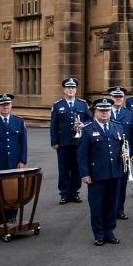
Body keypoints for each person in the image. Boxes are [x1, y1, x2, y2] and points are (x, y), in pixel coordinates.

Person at [77, 98, 125, 246]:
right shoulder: (87, 129)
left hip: (115, 173)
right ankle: (99, 234)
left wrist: (125, 157)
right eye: (101, 110)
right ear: (95, 111)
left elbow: (122, 148)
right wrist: (85, 174)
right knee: (97, 206)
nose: (105, 113)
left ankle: (110, 232)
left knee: (112, 204)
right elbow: (82, 154)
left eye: (107, 110)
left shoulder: (117, 127)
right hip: (96, 175)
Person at [0, 93, 27, 224]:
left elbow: (23, 144)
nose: (5, 107)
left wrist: (22, 160)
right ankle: (0, 219)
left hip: (14, 164)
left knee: (14, 191)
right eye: (2, 105)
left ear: (11, 105)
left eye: (7, 104)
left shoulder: (19, 121)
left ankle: (12, 216)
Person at [50, 77, 92, 205]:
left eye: (73, 88)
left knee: (77, 168)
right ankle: (64, 193)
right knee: (63, 168)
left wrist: (83, 125)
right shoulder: (58, 105)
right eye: (68, 87)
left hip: (79, 142)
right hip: (63, 143)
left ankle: (74, 192)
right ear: (64, 90)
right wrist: (54, 142)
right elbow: (53, 125)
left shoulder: (82, 104)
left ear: (76, 90)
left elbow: (90, 120)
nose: (70, 90)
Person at [108, 86, 133, 221]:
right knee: (109, 184)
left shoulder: (129, 113)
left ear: (123, 98)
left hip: (125, 155)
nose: (118, 99)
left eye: (120, 97)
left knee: (121, 185)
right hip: (108, 153)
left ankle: (119, 209)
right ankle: (109, 210)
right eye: (115, 97)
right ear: (111, 98)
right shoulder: (104, 111)